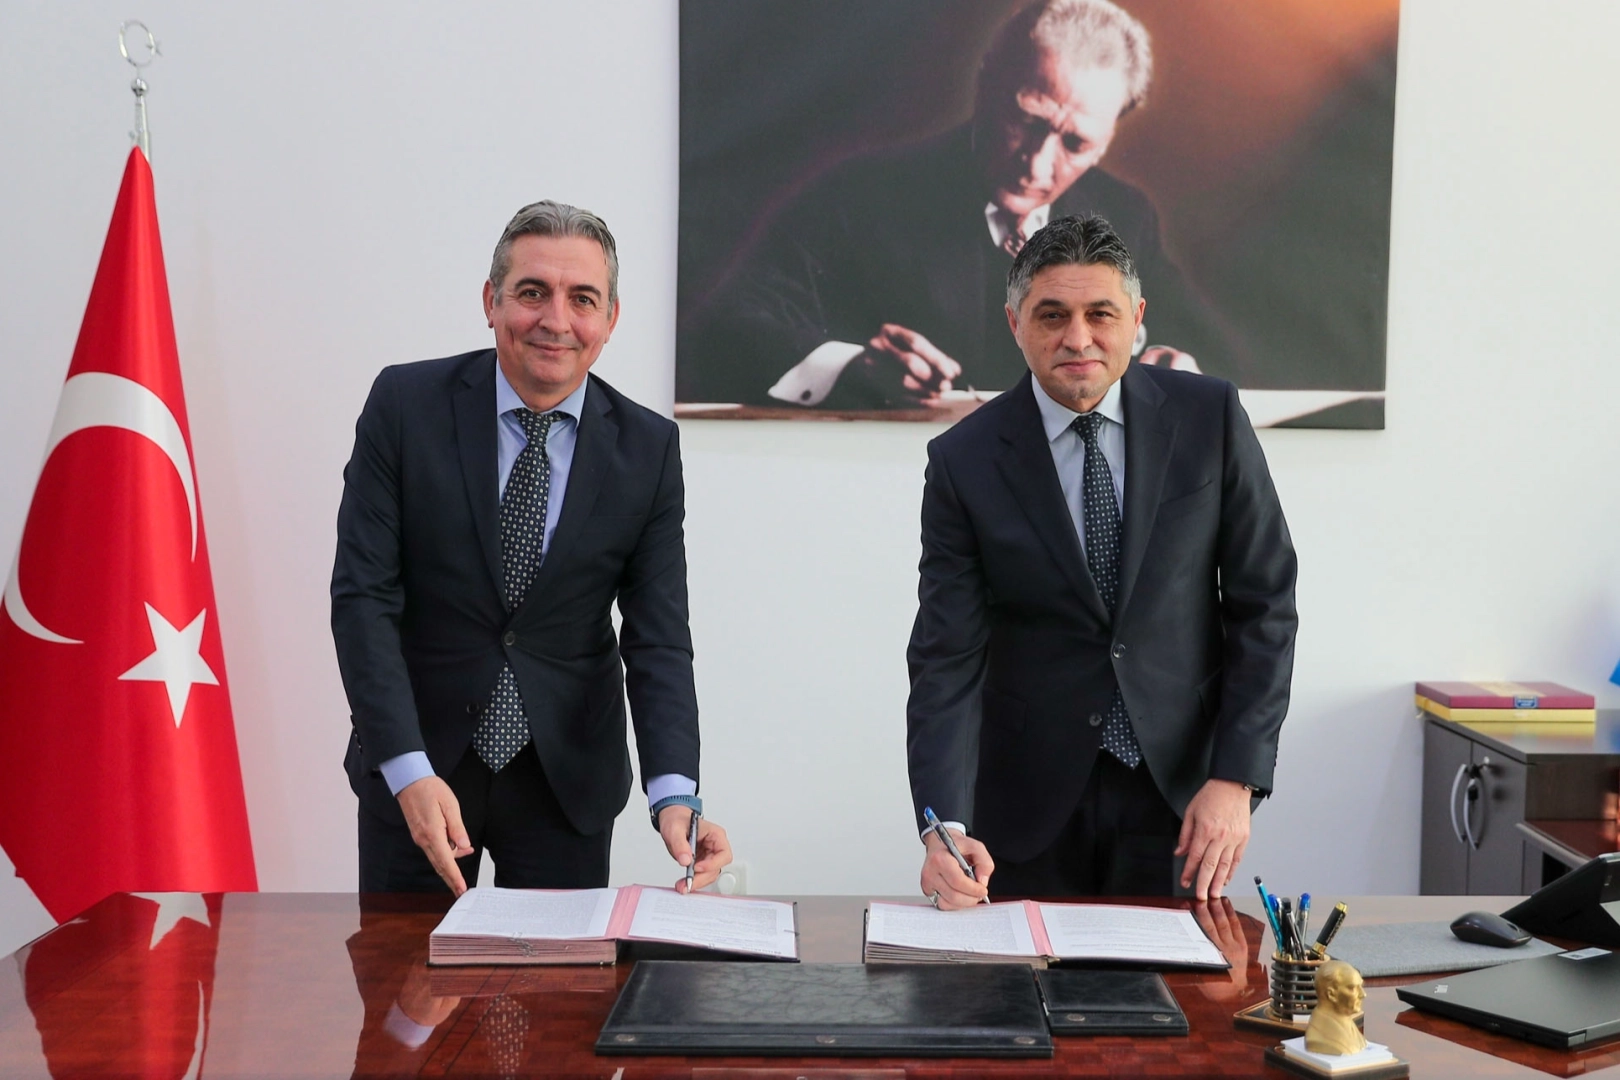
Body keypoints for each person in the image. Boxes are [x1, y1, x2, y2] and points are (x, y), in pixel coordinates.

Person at [332, 200, 730, 895]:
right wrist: (405, 767)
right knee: (407, 970)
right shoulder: (404, 406)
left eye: (582, 299)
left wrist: (675, 794)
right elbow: (363, 599)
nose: (556, 320)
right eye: (532, 292)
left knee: (556, 972)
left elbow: (659, 636)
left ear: (610, 318)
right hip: (419, 771)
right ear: (491, 301)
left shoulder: (648, 448)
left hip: (566, 782)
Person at [906, 214, 1296, 906]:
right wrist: (944, 827)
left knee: (1183, 977)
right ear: (1015, 323)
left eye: (1100, 314)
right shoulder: (964, 460)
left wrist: (1236, 777)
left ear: (1137, 319)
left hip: (1184, 801)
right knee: (1027, 978)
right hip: (1025, 810)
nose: (1077, 338)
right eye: (1052, 315)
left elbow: (1264, 604)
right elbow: (947, 657)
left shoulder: (1209, 417)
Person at [679, 0, 1235, 411]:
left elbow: (1207, 344)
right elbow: (726, 324)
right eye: (1027, 119)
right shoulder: (862, 195)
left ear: (1109, 138)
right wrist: (854, 367)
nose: (1037, 164)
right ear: (986, 81)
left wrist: (1173, 360)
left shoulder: (1125, 214)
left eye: (1074, 143)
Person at [1305, 961, 1368, 1055]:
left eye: (1361, 986)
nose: (1363, 994)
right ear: (1331, 994)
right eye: (1352, 988)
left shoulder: (1349, 1024)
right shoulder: (1318, 1036)